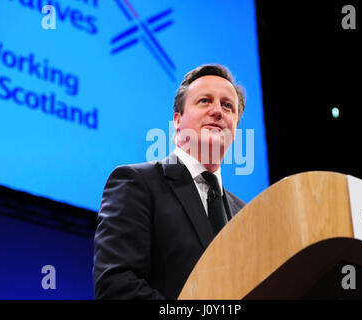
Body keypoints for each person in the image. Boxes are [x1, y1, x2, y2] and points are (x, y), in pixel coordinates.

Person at [93, 64, 247, 299]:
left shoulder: (245, 215)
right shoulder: (136, 183)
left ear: (235, 127)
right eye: (205, 101)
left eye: (228, 106)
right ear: (177, 120)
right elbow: (117, 285)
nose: (218, 111)